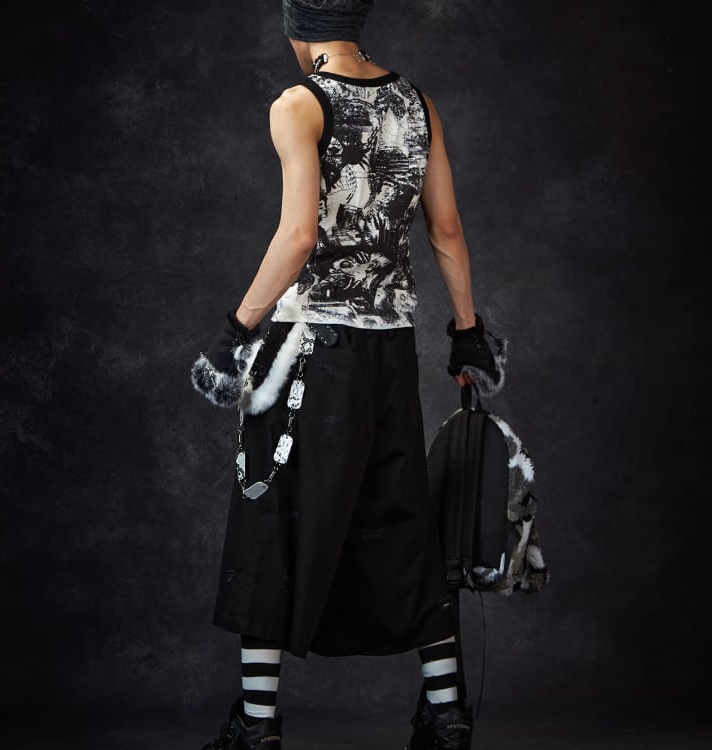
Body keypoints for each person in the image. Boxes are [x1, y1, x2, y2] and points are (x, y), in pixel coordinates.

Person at [191, 2, 506, 748]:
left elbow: (299, 234)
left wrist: (235, 332)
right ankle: (447, 717)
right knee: (405, 521)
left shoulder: (299, 103)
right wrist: (467, 335)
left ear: (296, 30)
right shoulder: (415, 102)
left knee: (271, 513)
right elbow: (446, 228)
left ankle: (257, 727)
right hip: (391, 353)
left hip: (309, 350)